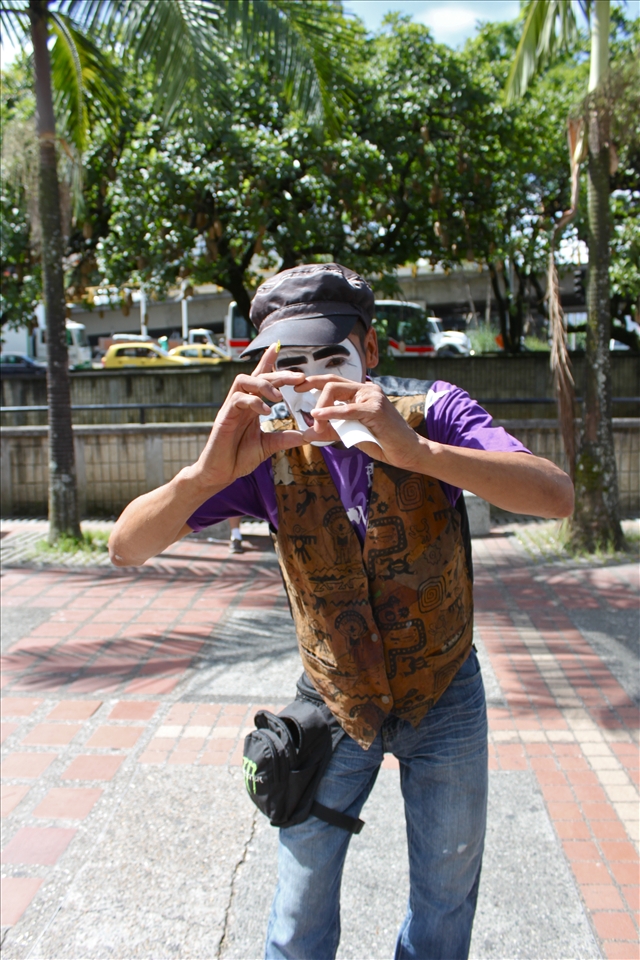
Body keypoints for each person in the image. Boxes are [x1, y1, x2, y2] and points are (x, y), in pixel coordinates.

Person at [109, 263, 573, 960]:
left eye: (334, 357)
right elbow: (126, 546)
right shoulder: (263, 454)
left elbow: (554, 497)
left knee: (446, 903)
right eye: (290, 364)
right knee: (298, 914)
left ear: (372, 353)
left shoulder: (433, 411)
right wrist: (206, 475)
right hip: (332, 701)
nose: (316, 381)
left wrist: (417, 451)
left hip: (443, 694)